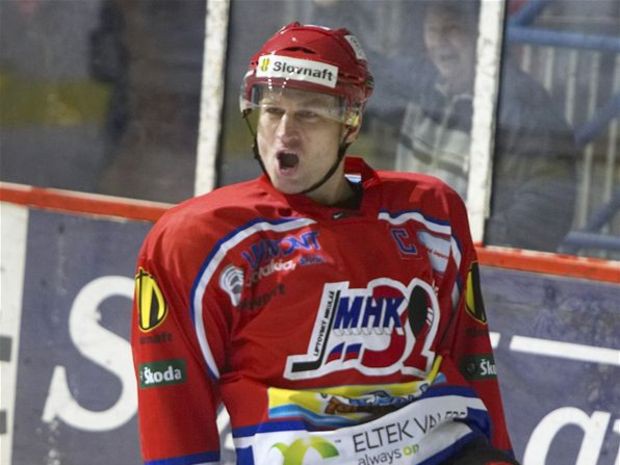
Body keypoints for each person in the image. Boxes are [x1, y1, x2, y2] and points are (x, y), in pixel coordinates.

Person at [131, 22, 519, 465]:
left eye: (309, 114)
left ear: (350, 124)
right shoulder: (201, 240)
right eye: (272, 111)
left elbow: (472, 359)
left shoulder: (427, 214)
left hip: (441, 449)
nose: (284, 132)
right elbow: (174, 405)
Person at [396, 0, 577, 252]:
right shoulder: (422, 85)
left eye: (453, 29)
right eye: (432, 30)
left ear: (481, 33)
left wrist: (465, 245)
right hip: (415, 258)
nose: (439, 42)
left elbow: (547, 209)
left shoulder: (524, 110)